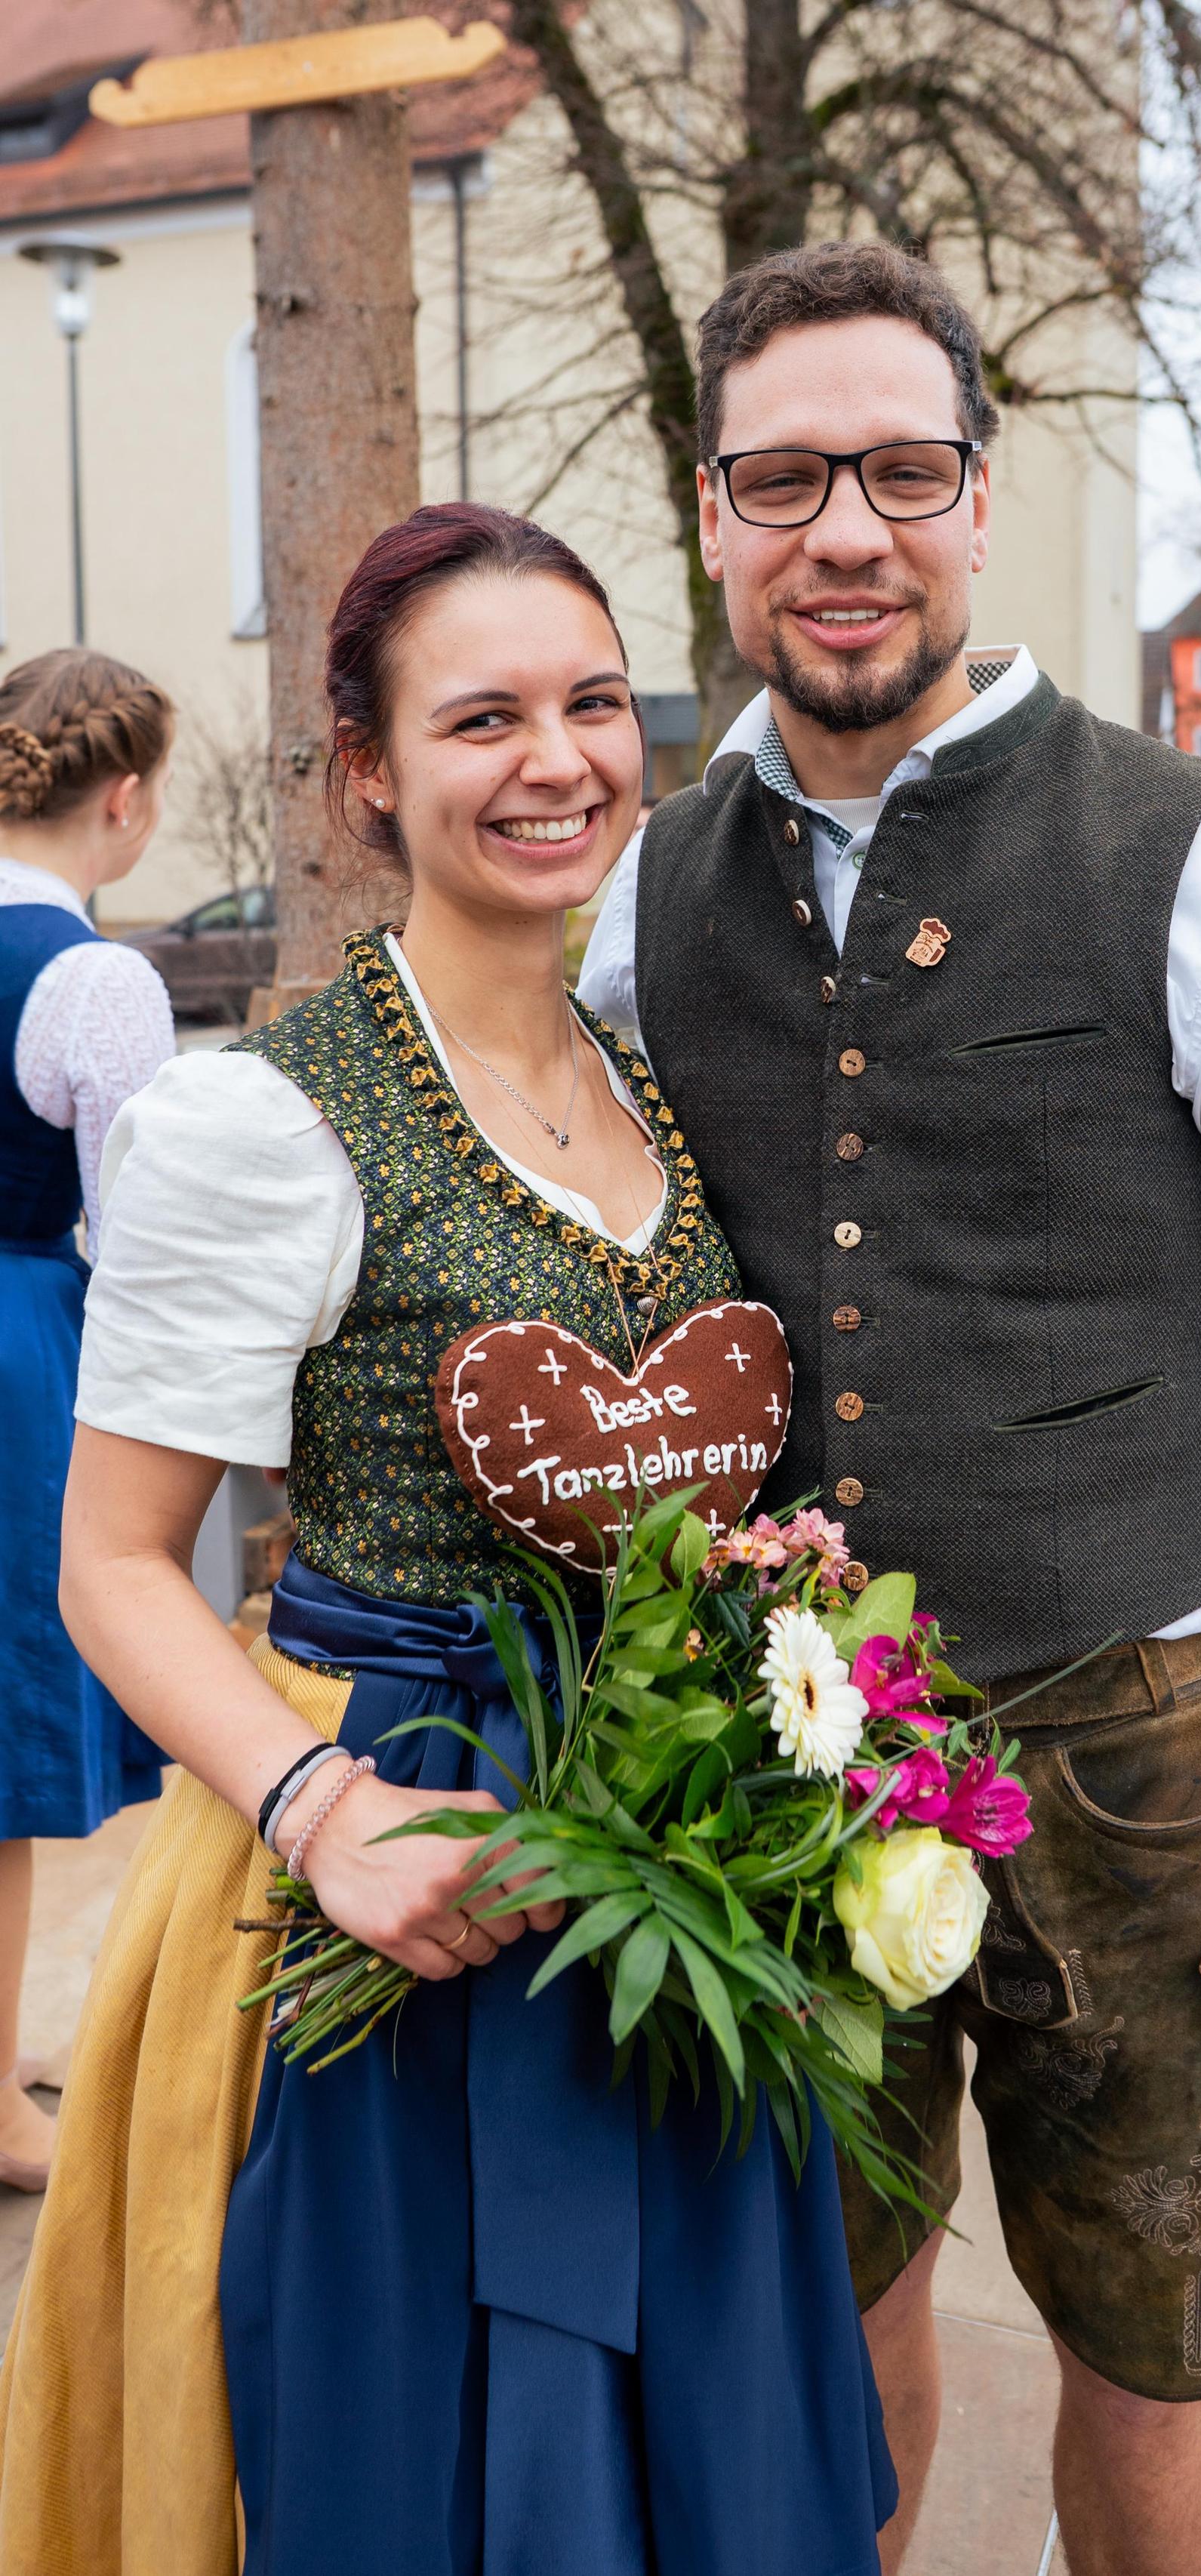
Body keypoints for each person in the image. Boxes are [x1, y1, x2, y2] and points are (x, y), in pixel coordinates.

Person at [579, 240, 1201, 2576]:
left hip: (1138, 1737)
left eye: (898, 468)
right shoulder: (643, 898)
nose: (842, 528)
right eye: (786, 476)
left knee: (1151, 2352)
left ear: (977, 498)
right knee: (829, 2308)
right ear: (716, 512)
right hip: (776, 1739)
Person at [0, 506, 895, 2576]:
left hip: (676, 1888)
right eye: (480, 715)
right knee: (426, 2463)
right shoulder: (259, 1121)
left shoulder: (654, 1084)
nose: (556, 757)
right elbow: (116, 1563)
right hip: (398, 1888)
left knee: (706, 2454)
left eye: (591, 702)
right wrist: (326, 1810)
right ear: (369, 772)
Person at [0, 650, 172, 2190]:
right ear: (122, 797)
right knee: (1, 1734)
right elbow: (136, 1225)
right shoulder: (93, 973)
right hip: (16, 1341)